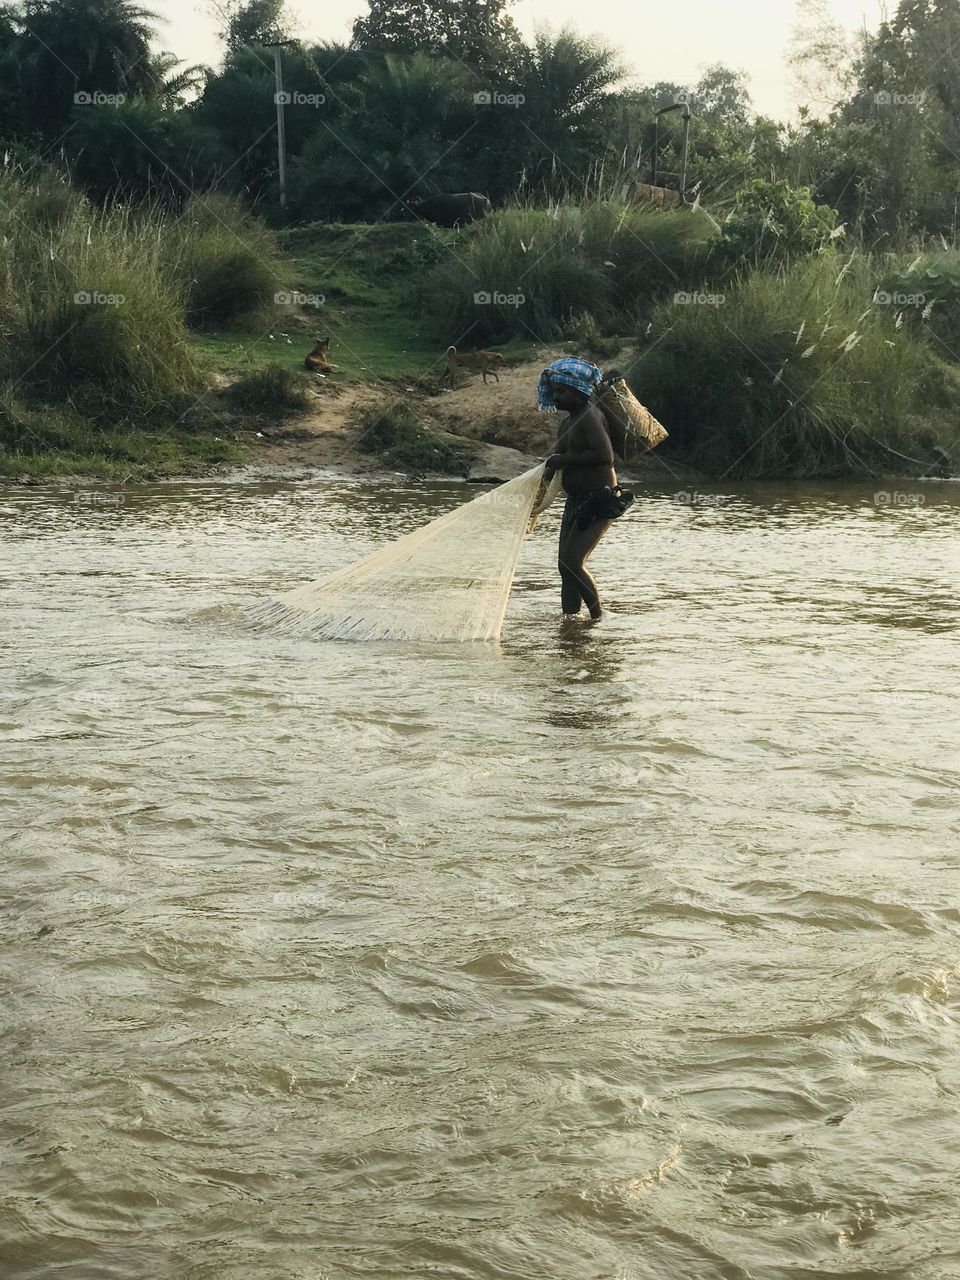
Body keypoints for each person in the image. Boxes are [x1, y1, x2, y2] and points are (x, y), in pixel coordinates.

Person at [538, 358, 632, 621]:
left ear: (578, 391)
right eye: (554, 391)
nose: (557, 397)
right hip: (577, 499)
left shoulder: (590, 416)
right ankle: (569, 622)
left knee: (572, 562)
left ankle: (597, 619)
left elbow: (604, 456)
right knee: (564, 566)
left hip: (599, 498)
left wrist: (564, 460)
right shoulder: (568, 423)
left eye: (562, 391)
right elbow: (556, 460)